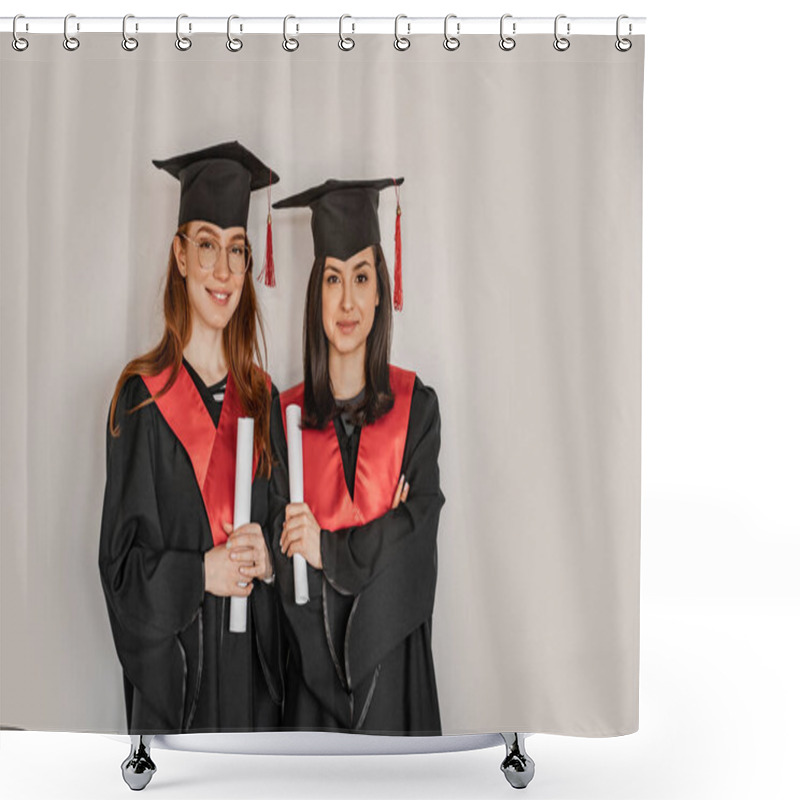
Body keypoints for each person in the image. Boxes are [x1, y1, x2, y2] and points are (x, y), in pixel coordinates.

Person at [99, 141, 284, 734]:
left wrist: (271, 561)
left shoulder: (263, 398)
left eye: (237, 250)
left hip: (256, 694)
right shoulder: (143, 398)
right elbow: (121, 569)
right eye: (207, 245)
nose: (224, 272)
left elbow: (283, 530)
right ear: (180, 255)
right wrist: (200, 573)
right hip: (181, 693)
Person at [270, 178, 445, 735]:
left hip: (395, 671)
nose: (347, 301)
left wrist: (324, 548)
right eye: (333, 280)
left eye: (362, 278)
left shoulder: (418, 409)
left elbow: (416, 549)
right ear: (315, 294)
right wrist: (382, 531)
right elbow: (284, 576)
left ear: (379, 291)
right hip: (310, 689)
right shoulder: (284, 419)